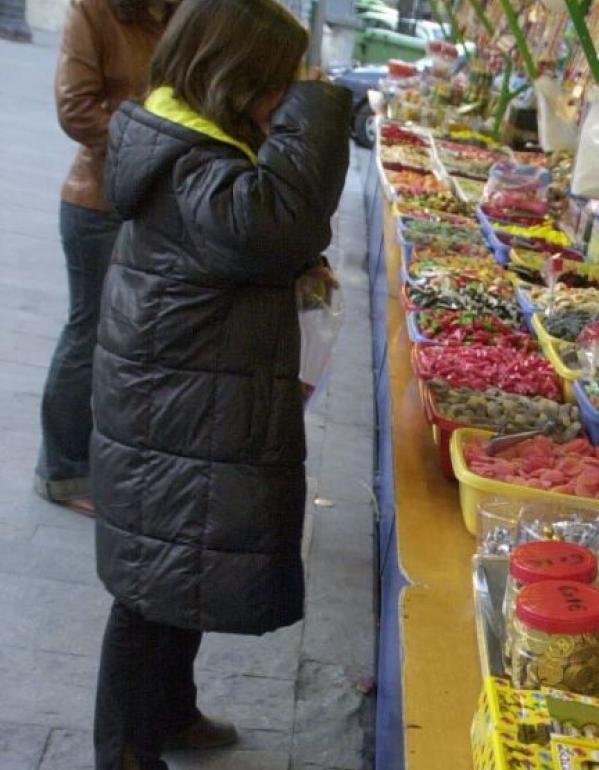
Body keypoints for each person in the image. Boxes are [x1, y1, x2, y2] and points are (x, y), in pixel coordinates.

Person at [91, 0, 352, 767]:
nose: (284, 98)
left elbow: (254, 242)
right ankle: (125, 752)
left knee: (182, 570)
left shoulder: (187, 140)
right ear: (236, 77)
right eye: (278, 83)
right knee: (151, 591)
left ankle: (170, 713)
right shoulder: (194, 160)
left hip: (181, 397)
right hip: (175, 407)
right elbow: (280, 222)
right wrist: (321, 100)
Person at [38, 0, 172, 513]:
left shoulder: (179, 14)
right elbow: (76, 109)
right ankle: (63, 471)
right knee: (88, 331)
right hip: (98, 201)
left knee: (129, 340)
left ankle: (110, 466)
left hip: (155, 201)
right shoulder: (93, 12)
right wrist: (152, 144)